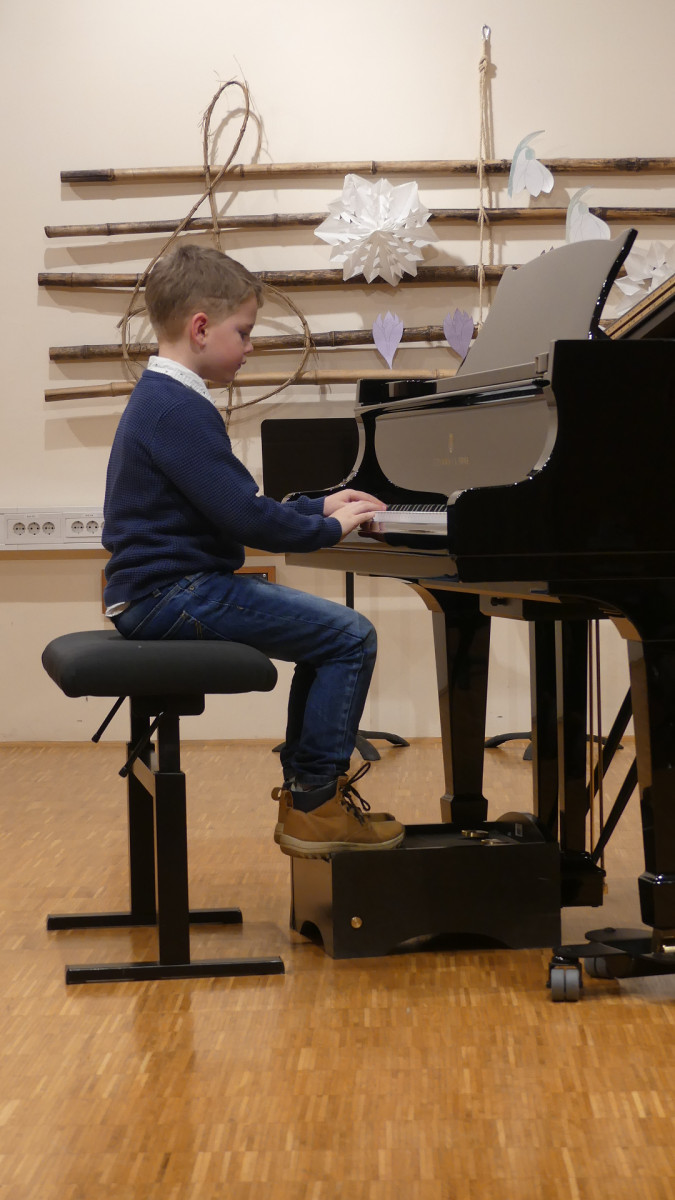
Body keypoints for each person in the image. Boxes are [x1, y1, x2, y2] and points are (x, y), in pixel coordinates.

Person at [102, 243, 404, 858]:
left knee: (332, 637)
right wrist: (329, 530)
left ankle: (308, 795)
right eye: (243, 332)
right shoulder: (178, 410)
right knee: (351, 637)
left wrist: (319, 506)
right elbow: (247, 518)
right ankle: (314, 805)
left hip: (159, 591)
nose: (249, 346)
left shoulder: (163, 400)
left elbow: (236, 505)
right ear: (201, 328)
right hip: (171, 595)